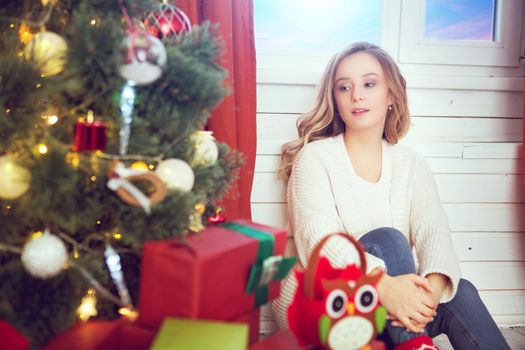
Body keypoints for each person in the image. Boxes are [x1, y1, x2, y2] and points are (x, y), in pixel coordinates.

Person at [272, 42, 510, 350]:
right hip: (324, 306)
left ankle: (414, 342)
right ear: (336, 99)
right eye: (344, 87)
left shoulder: (411, 164)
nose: (356, 95)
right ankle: (416, 344)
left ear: (392, 95)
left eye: (369, 84)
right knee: (390, 240)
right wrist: (383, 286)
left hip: (386, 313)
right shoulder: (314, 158)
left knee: (460, 290)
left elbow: (435, 235)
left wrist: (429, 294)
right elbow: (318, 243)